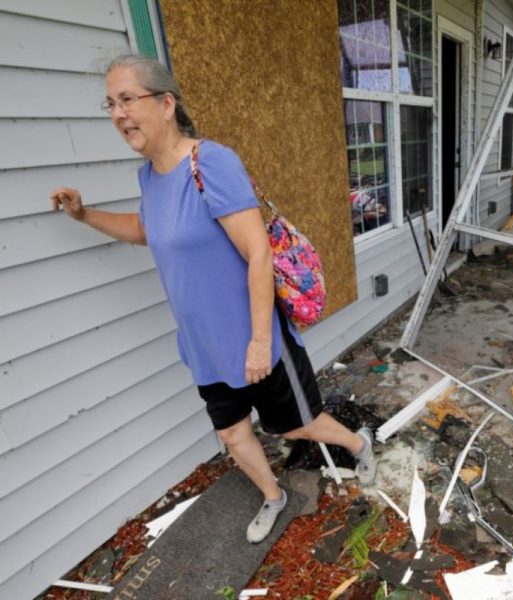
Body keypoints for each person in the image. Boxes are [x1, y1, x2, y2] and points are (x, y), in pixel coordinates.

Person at [50, 54, 376, 544]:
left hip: (255, 340)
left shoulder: (211, 162)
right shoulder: (148, 177)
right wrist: (83, 216)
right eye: (110, 103)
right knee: (232, 434)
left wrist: (260, 342)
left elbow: (257, 252)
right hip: (204, 345)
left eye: (127, 99)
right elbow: (145, 230)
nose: (118, 113)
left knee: (297, 427)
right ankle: (273, 496)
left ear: (165, 104)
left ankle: (358, 442)